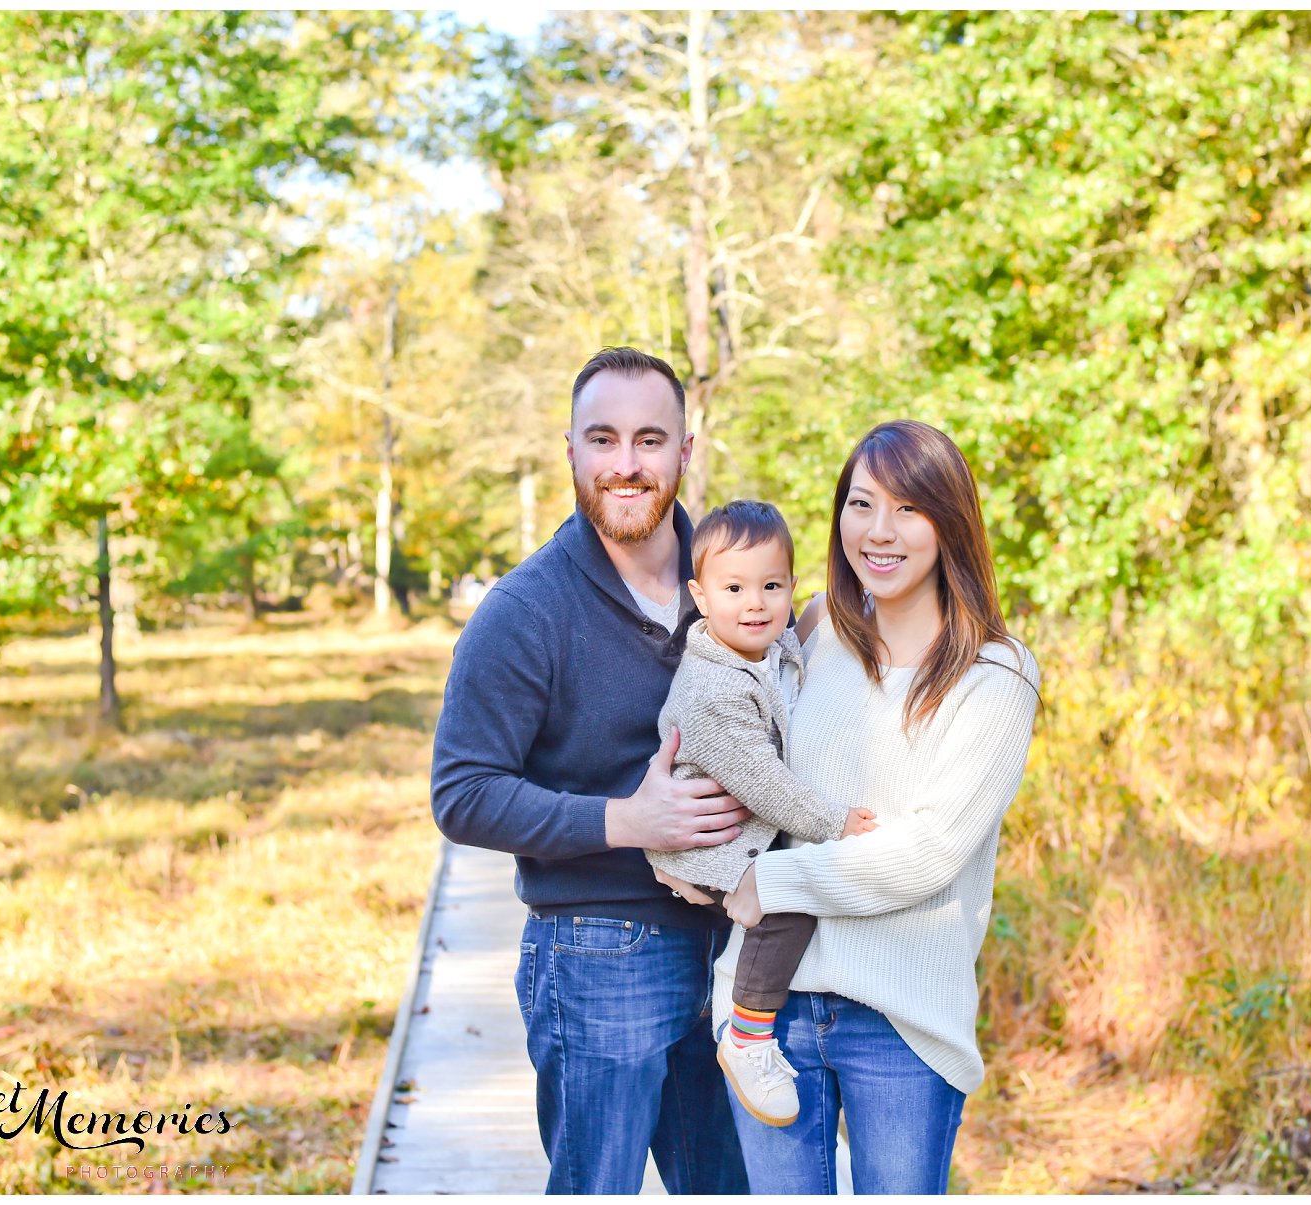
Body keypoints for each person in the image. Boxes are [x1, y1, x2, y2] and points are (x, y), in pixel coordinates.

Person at [430, 346, 753, 1195]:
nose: (625, 464)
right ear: (569, 449)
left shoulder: (730, 580)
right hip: (599, 951)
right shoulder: (526, 611)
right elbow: (462, 793)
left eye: (650, 440)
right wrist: (625, 820)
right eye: (602, 439)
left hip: (734, 949)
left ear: (687, 451)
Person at [713, 419, 1042, 1194]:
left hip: (901, 1022)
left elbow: (928, 852)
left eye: (908, 509)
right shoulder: (817, 628)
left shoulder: (996, 674)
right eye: (861, 504)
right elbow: (756, 766)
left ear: (949, 521)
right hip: (769, 1012)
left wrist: (777, 883)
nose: (879, 531)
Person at [644, 499, 878, 1128]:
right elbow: (763, 784)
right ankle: (748, 1033)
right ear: (699, 594)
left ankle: (741, 995)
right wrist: (834, 822)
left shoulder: (759, 648)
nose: (755, 603)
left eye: (771, 587)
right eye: (735, 588)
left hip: (747, 833)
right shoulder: (712, 688)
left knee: (791, 890)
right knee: (788, 904)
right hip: (708, 846)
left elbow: (791, 652)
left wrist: (824, 612)